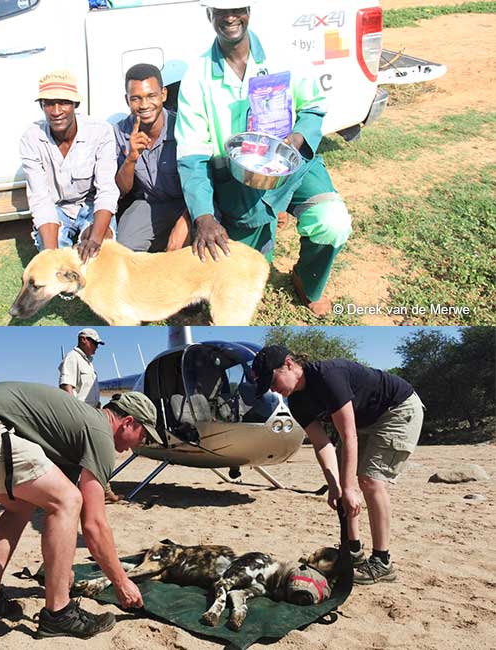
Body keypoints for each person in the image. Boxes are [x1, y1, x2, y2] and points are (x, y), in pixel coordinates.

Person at [0, 383, 162, 638]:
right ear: (127, 422)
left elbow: (61, 515)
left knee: (21, 507)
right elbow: (93, 524)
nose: (139, 444)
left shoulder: (77, 427)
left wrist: (63, 568)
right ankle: (59, 613)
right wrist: (121, 582)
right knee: (68, 500)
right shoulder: (100, 432)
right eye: (144, 435)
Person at [175, 0, 352, 315]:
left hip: (292, 163)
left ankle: (307, 281)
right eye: (220, 10)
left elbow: (313, 106)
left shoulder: (282, 55)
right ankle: (260, 234)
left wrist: (293, 142)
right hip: (239, 183)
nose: (230, 17)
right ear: (209, 15)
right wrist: (203, 216)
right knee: (241, 275)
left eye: (237, 8)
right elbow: (191, 155)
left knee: (333, 222)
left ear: (249, 11)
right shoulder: (197, 77)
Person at [252, 345, 424, 584]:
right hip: (364, 422)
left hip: (396, 409)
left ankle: (382, 561)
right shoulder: (297, 403)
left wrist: (350, 487)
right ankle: (352, 551)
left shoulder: (328, 377)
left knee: (368, 481)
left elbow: (348, 435)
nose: (273, 389)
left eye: (272, 380)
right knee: (344, 487)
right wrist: (335, 485)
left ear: (289, 364)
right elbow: (323, 445)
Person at [19, 69, 120, 263]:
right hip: (57, 208)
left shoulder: (100, 132)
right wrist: (53, 258)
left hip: (90, 204)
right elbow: (41, 201)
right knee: (54, 257)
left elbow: (106, 190)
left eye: (64, 102)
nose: (56, 111)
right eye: (48, 104)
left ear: (75, 104)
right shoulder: (31, 139)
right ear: (41, 105)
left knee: (102, 252)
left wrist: (96, 239)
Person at [113, 63, 190, 252]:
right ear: (127, 100)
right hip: (151, 203)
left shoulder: (183, 126)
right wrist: (131, 159)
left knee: (184, 248)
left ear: (163, 94)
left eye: (151, 96)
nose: (144, 105)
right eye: (136, 99)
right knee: (124, 248)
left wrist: (185, 223)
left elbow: (203, 182)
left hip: (188, 203)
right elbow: (121, 191)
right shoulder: (120, 132)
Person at [58, 328, 122, 503]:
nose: (96, 347)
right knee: (82, 456)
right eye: (94, 343)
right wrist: (75, 413)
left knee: (95, 454)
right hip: (80, 415)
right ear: (83, 339)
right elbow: (67, 386)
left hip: (92, 412)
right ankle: (65, 495)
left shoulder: (88, 362)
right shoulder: (73, 358)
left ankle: (103, 490)